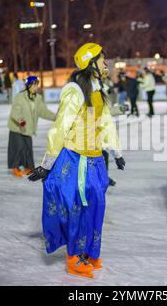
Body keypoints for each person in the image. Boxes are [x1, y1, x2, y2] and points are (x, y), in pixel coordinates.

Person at [27, 43, 125, 279]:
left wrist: (116, 151)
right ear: (91, 63)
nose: (105, 64)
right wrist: (47, 163)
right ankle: (74, 256)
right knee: (77, 209)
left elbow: (106, 122)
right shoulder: (75, 91)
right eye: (102, 60)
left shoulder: (98, 89)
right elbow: (60, 126)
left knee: (96, 207)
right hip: (75, 159)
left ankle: (89, 252)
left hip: (95, 160)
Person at [7, 76, 56, 178]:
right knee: (18, 147)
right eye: (33, 85)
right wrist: (20, 119)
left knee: (28, 148)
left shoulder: (38, 98)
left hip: (28, 128)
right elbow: (14, 111)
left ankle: (28, 167)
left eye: (36, 84)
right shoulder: (20, 97)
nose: (35, 87)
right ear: (28, 85)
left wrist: (56, 117)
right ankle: (14, 167)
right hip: (17, 127)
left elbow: (44, 112)